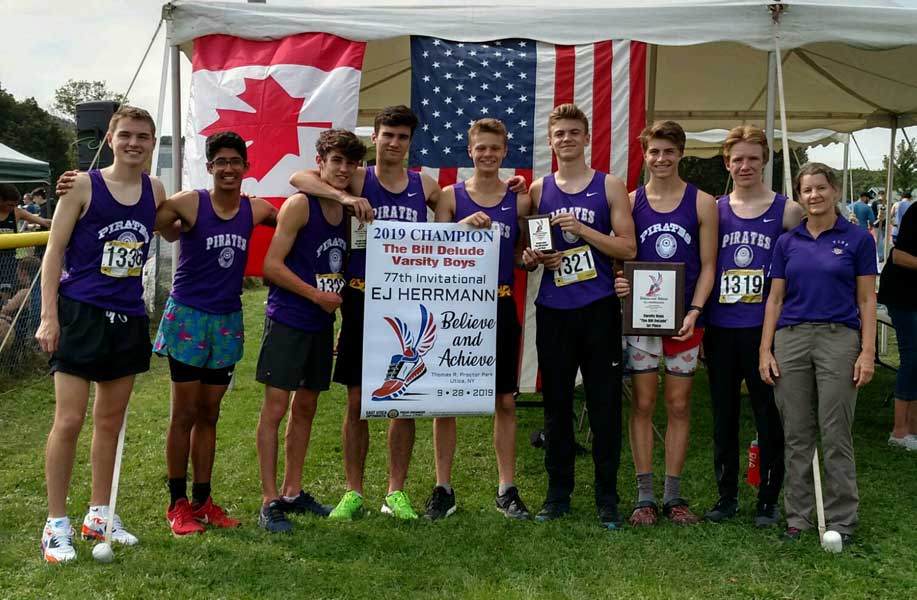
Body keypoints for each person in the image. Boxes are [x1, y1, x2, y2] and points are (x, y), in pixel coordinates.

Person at [289, 106, 441, 521]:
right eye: (388, 134)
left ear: (410, 142)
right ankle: (353, 491)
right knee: (357, 398)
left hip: (406, 301)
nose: (394, 143)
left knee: (402, 398)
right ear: (375, 137)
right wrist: (343, 197)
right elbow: (299, 178)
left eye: (402, 136)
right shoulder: (359, 178)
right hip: (361, 296)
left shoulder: (423, 184)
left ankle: (396, 491)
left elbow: (455, 208)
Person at [35, 106, 165, 563]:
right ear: (110, 139)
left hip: (127, 316)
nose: (134, 143)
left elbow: (176, 222)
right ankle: (55, 525)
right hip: (81, 313)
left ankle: (99, 514)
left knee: (110, 422)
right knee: (69, 420)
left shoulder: (155, 189)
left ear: (152, 143)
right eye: (125, 134)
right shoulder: (82, 186)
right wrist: (49, 316)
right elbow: (54, 252)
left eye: (143, 136)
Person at [151, 131, 278, 535]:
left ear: (246, 167)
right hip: (189, 317)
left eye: (235, 161)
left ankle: (203, 501)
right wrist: (171, 225)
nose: (228, 168)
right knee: (184, 413)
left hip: (226, 320)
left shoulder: (255, 209)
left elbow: (296, 218)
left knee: (210, 414)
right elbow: (151, 220)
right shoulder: (191, 202)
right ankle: (177, 503)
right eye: (220, 161)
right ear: (209, 167)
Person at [523, 103, 636, 527]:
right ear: (550, 141)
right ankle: (558, 494)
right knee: (556, 405)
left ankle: (607, 497)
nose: (566, 139)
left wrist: (584, 229)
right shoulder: (538, 190)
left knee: (604, 404)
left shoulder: (610, 186)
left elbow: (628, 247)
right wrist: (536, 258)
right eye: (560, 134)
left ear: (587, 138)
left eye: (574, 132)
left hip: (599, 308)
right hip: (554, 311)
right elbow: (529, 250)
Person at [759, 162, 877, 544]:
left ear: (835, 190)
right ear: (799, 196)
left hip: (838, 338)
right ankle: (799, 518)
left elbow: (867, 299)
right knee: (796, 432)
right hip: (791, 338)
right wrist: (765, 349)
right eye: (807, 190)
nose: (814, 195)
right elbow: (775, 300)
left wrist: (867, 352)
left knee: (836, 431)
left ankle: (842, 520)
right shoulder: (787, 242)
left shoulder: (858, 239)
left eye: (821, 187)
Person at [256, 129, 365, 532]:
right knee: (275, 409)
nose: (343, 169)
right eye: (335, 161)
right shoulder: (301, 205)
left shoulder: (350, 211)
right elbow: (271, 266)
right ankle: (269, 500)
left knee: (306, 408)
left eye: (350, 162)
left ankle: (292, 490)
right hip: (289, 318)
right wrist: (314, 295)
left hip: (321, 324)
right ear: (320, 162)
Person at [426, 118, 533, 520]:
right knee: (446, 399)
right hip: (458, 306)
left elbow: (522, 254)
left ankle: (506, 488)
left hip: (500, 303)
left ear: (505, 152)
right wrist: (461, 226)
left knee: (504, 398)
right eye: (481, 148)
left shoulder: (519, 200)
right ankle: (443, 487)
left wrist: (530, 258)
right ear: (470, 151)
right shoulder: (451, 196)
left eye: (495, 148)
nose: (488, 154)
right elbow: (433, 250)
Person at [700, 125, 803, 526]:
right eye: (737, 159)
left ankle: (768, 498)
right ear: (727, 163)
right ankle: (726, 496)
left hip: (766, 331)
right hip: (722, 327)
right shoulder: (715, 209)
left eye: (753, 159)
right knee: (723, 415)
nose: (745, 166)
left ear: (764, 162)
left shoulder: (788, 210)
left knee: (768, 414)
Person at [616, 120, 717, 526]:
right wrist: (620, 279)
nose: (661, 158)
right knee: (642, 403)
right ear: (645, 155)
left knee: (678, 404)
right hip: (642, 319)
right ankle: (644, 496)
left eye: (669, 151)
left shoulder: (702, 202)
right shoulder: (630, 201)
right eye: (654, 152)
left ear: (681, 154)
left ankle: (673, 495)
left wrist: (694, 311)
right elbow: (621, 253)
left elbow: (709, 265)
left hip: (684, 322)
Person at [878, 191, 917, 452]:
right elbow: (898, 255)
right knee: (912, 358)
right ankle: (900, 431)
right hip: (903, 296)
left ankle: (913, 428)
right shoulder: (916, 211)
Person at [0, 184, 51, 299]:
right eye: (9, 205)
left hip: (8, 261)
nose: (12, 207)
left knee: (5, 293)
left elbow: (44, 222)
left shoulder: (16, 212)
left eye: (15, 205)